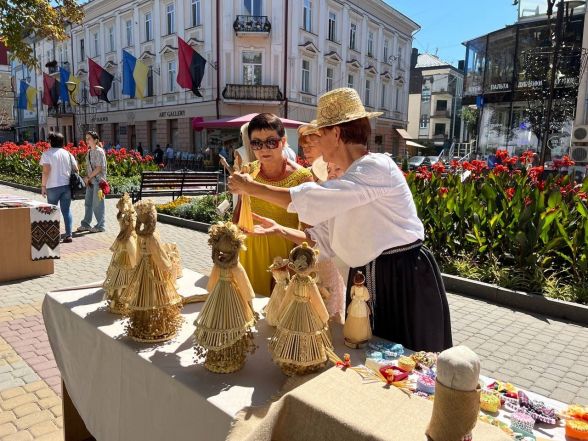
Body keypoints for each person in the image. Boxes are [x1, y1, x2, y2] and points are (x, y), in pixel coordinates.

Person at [229, 88, 452, 352]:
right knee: (371, 360)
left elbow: (314, 199)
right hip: (371, 279)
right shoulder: (345, 180)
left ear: (336, 133)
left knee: (408, 364)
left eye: (320, 134)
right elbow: (321, 237)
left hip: (401, 278)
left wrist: (252, 188)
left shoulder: (376, 166)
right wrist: (280, 229)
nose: (315, 144)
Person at [234, 113, 313, 296]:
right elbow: (239, 212)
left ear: (283, 141)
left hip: (281, 257)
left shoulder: (302, 178)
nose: (263, 149)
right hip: (247, 253)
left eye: (271, 142)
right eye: (256, 143)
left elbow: (311, 234)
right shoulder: (249, 171)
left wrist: (299, 265)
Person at [40, 132, 77, 243]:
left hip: (52, 186)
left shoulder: (47, 154)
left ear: (51, 141)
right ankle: (69, 235)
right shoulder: (68, 153)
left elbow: (46, 171)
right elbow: (76, 169)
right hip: (66, 186)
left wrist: (43, 186)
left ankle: (53, 234)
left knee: (51, 211)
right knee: (66, 211)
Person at [77, 131, 107, 233]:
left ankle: (100, 225)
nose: (87, 140)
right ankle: (86, 224)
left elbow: (99, 168)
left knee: (97, 204)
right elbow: (89, 167)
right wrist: (88, 179)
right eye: (86, 138)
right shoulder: (89, 152)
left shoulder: (100, 151)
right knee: (88, 203)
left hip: (99, 182)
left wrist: (88, 177)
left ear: (95, 140)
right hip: (91, 181)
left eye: (89, 138)